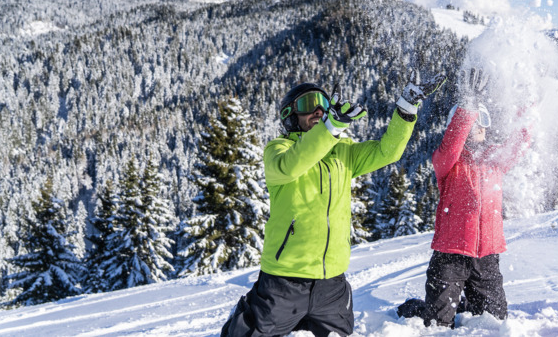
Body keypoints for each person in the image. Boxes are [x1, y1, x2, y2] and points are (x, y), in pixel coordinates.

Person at [222, 72, 446, 337]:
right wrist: (329, 128)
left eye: (323, 104)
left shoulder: (343, 151)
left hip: (332, 284)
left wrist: (407, 108)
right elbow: (295, 163)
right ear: (290, 116)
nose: (318, 109)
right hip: (284, 281)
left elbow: (388, 151)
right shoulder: (279, 150)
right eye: (308, 104)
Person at [398, 68, 531, 328]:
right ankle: (415, 308)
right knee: (437, 323)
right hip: (450, 255)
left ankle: (467, 299)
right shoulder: (447, 161)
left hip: (488, 256)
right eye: (472, 120)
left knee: (495, 323)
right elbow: (452, 145)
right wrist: (468, 108)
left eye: (483, 120)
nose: (478, 125)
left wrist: (527, 104)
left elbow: (520, 142)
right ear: (458, 125)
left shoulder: (495, 159)